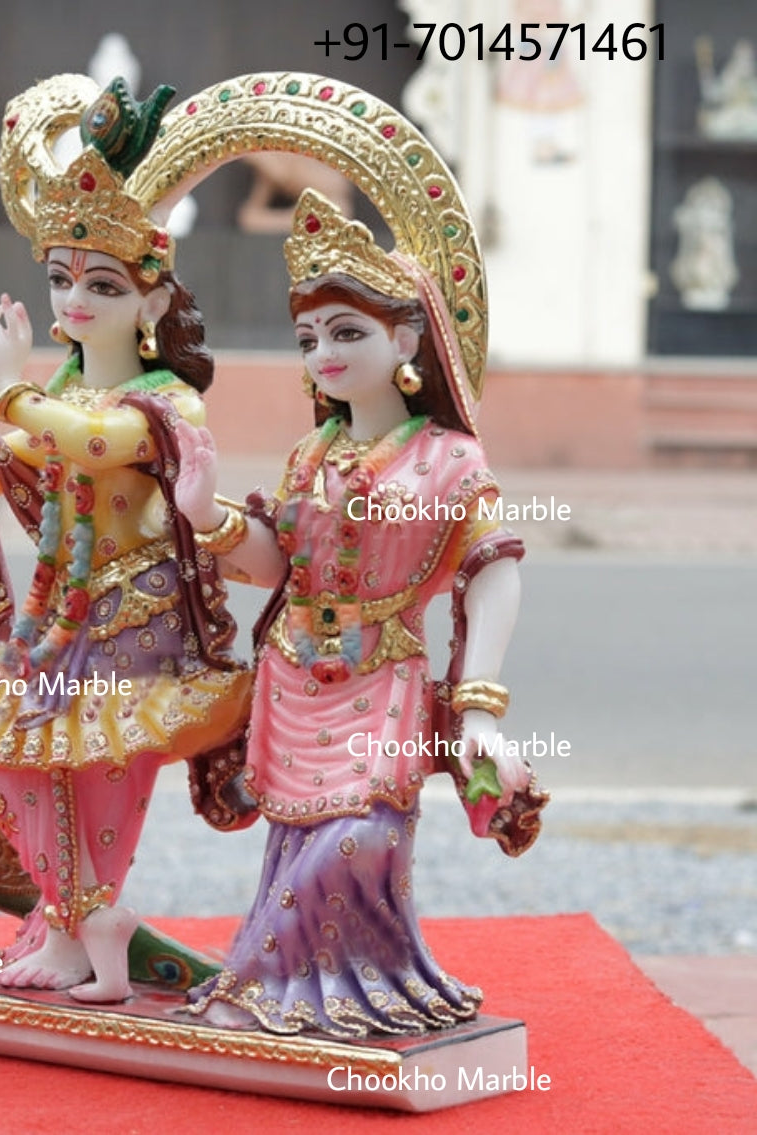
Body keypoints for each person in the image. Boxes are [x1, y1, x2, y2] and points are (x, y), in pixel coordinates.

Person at [0, 75, 251, 1002]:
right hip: (57, 622)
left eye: (100, 284)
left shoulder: (165, 402)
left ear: (151, 303)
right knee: (5, 757)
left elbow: (86, 446)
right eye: (59, 280)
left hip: (138, 623)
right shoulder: (60, 391)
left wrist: (8, 391)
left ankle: (91, 929)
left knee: (100, 778)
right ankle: (78, 922)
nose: (73, 301)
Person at [175, 188, 548, 1038]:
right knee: (295, 843)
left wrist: (481, 705)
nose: (325, 354)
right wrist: (207, 517)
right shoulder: (313, 453)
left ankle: (322, 988)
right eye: (310, 338)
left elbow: (494, 566)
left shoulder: (449, 459)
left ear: (407, 338)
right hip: (297, 678)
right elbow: (280, 562)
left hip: (383, 675)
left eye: (349, 332)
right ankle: (291, 995)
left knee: (363, 841)